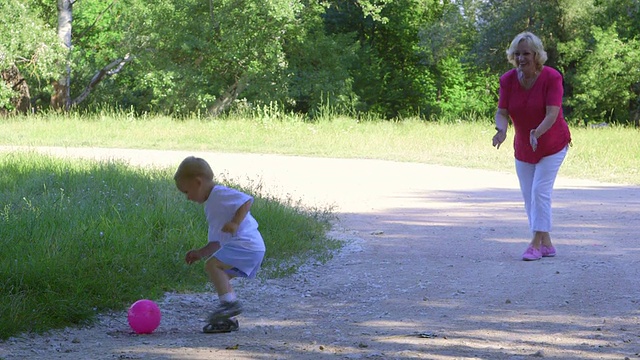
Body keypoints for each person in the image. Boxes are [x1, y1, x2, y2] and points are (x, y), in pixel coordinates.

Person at [492, 31, 572, 261]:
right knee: (529, 195)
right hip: (524, 148)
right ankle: (546, 244)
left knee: (539, 191)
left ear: (536, 55)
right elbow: (501, 112)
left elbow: (553, 113)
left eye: (526, 53)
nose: (521, 58)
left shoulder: (552, 77)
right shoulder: (507, 80)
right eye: (516, 54)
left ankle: (534, 244)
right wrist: (502, 130)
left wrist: (537, 132)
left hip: (552, 144)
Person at [174, 156, 266, 331]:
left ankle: (229, 306)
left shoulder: (218, 193)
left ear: (198, 182)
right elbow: (217, 243)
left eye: (187, 192)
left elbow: (246, 201)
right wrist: (200, 253)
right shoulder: (211, 204)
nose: (188, 198)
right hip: (248, 247)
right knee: (219, 273)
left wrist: (235, 223)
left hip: (247, 244)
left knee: (212, 266)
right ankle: (228, 319)